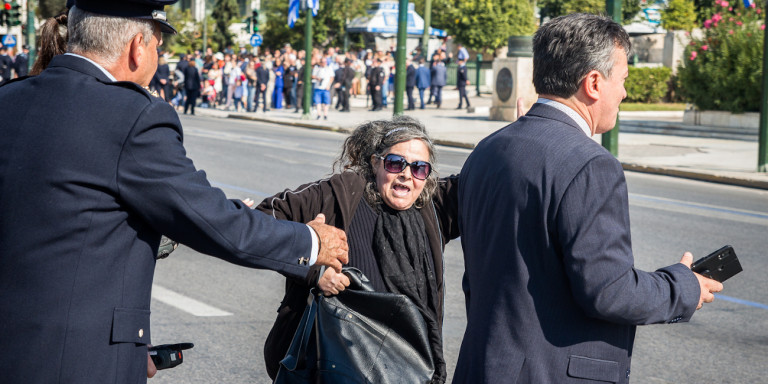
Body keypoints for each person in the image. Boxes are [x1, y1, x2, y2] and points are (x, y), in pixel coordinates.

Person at [0, 1, 349, 383]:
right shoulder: (132, 115)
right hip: (77, 361)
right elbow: (212, 221)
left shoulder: (10, 98)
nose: (157, 58)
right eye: (157, 47)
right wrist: (311, 243)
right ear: (138, 47)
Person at [453, 13, 723, 383]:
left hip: (482, 368)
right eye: (623, 80)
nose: (624, 93)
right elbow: (609, 291)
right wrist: (684, 286)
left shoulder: (488, 149)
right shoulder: (592, 165)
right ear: (593, 83)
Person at [259, 115, 460, 383]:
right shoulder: (339, 194)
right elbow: (262, 221)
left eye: (419, 168)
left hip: (406, 371)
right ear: (376, 162)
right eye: (395, 163)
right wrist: (312, 267)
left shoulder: (432, 205)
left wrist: (528, 129)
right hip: (334, 367)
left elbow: (490, 179)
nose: (406, 174)